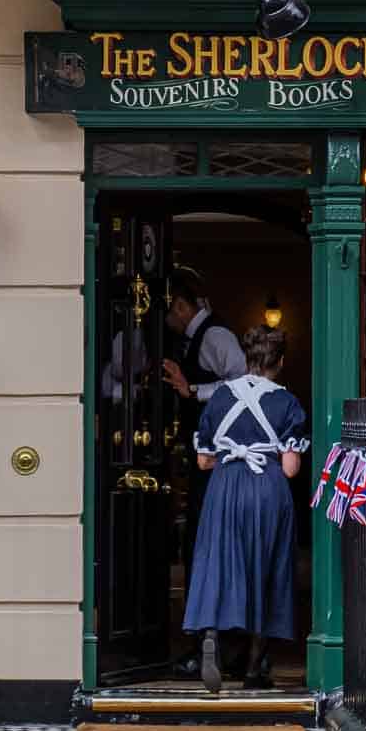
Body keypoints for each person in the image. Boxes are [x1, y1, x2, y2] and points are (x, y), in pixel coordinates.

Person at [183, 324, 309, 692]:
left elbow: (204, 460)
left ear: (247, 358)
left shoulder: (221, 397)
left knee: (217, 562)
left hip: (225, 485)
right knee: (265, 569)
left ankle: (211, 635)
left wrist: (231, 453)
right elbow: (290, 468)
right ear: (280, 362)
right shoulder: (287, 402)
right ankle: (254, 668)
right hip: (266, 488)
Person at [162, 266, 246, 677]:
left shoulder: (215, 337)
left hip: (217, 459)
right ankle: (204, 637)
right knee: (199, 538)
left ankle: (219, 641)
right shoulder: (194, 338)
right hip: (203, 454)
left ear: (180, 305)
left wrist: (191, 390)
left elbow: (241, 383)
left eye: (167, 310)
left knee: (210, 539)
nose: (166, 320)